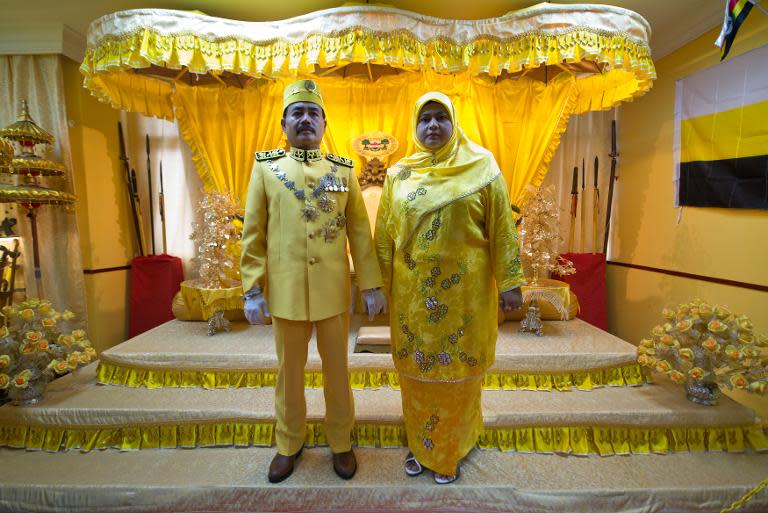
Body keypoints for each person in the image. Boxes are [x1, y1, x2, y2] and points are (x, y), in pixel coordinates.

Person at [240, 79, 387, 483]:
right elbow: (253, 233)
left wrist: (371, 284)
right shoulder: (266, 169)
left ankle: (341, 442)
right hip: (286, 294)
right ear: (284, 123)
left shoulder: (343, 171)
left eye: (313, 113)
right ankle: (288, 443)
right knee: (289, 375)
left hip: (332, 293)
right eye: (297, 113)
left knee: (337, 373)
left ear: (324, 124)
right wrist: (252, 289)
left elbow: (360, 231)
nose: (305, 119)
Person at [375, 91, 524, 484]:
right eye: (425, 119)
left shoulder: (482, 166)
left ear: (454, 122)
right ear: (415, 126)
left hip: (465, 297)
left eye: (441, 117)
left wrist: (511, 282)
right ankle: (422, 444)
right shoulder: (399, 174)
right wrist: (377, 285)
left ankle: (451, 448)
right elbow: (384, 237)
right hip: (413, 298)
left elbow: (503, 229)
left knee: (459, 373)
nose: (433, 126)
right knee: (418, 374)